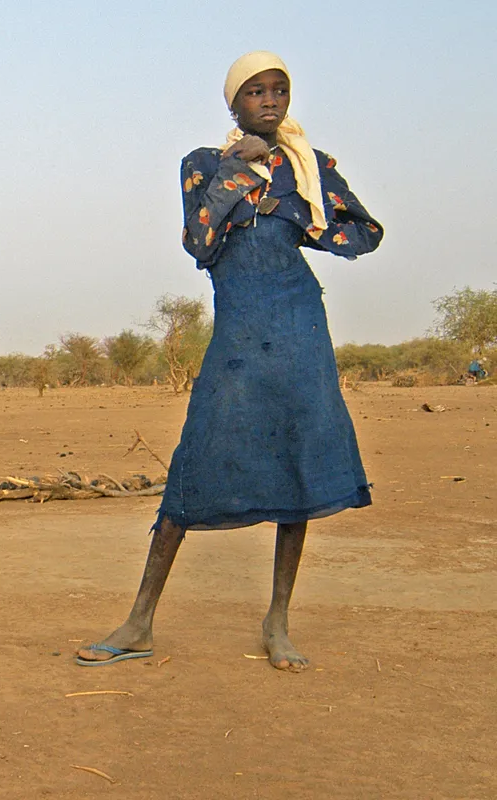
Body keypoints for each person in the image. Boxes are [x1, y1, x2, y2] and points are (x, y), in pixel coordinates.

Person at [76, 52, 383, 672]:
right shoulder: (204, 164)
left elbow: (365, 233)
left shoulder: (311, 166)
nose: (269, 100)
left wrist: (304, 216)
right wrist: (235, 177)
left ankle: (277, 623)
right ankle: (139, 622)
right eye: (254, 92)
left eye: (279, 90)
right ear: (233, 104)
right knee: (195, 461)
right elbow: (200, 243)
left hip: (300, 325)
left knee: (302, 467)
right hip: (241, 334)